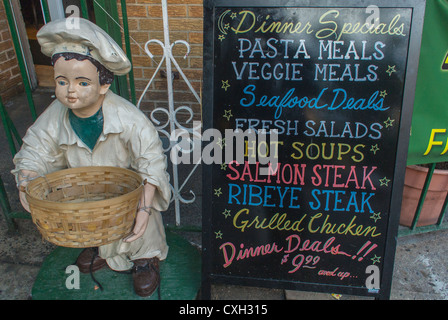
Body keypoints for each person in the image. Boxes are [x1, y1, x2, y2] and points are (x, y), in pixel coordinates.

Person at [11, 18, 171, 298]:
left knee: (139, 222)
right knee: (88, 214)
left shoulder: (130, 119)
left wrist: (144, 209)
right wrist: (26, 179)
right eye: (62, 81)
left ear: (103, 85)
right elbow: (35, 148)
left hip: (129, 196)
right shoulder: (53, 117)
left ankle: (144, 256)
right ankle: (99, 246)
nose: (70, 90)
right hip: (87, 198)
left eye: (82, 82)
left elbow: (151, 162)